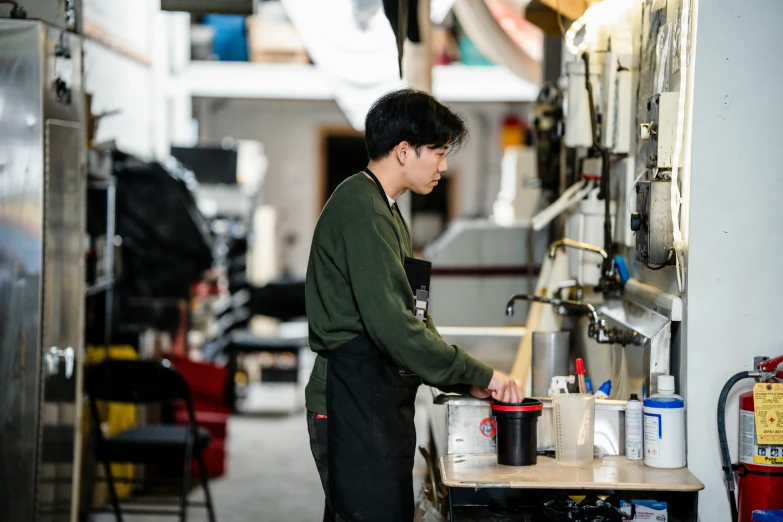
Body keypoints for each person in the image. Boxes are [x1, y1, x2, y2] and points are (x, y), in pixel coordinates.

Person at [304, 88, 524, 522]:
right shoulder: (362, 210)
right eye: (438, 152)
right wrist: (478, 372)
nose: (444, 166)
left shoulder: (383, 209)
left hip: (373, 397)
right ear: (404, 151)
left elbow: (413, 316)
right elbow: (396, 329)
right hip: (353, 398)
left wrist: (465, 380)